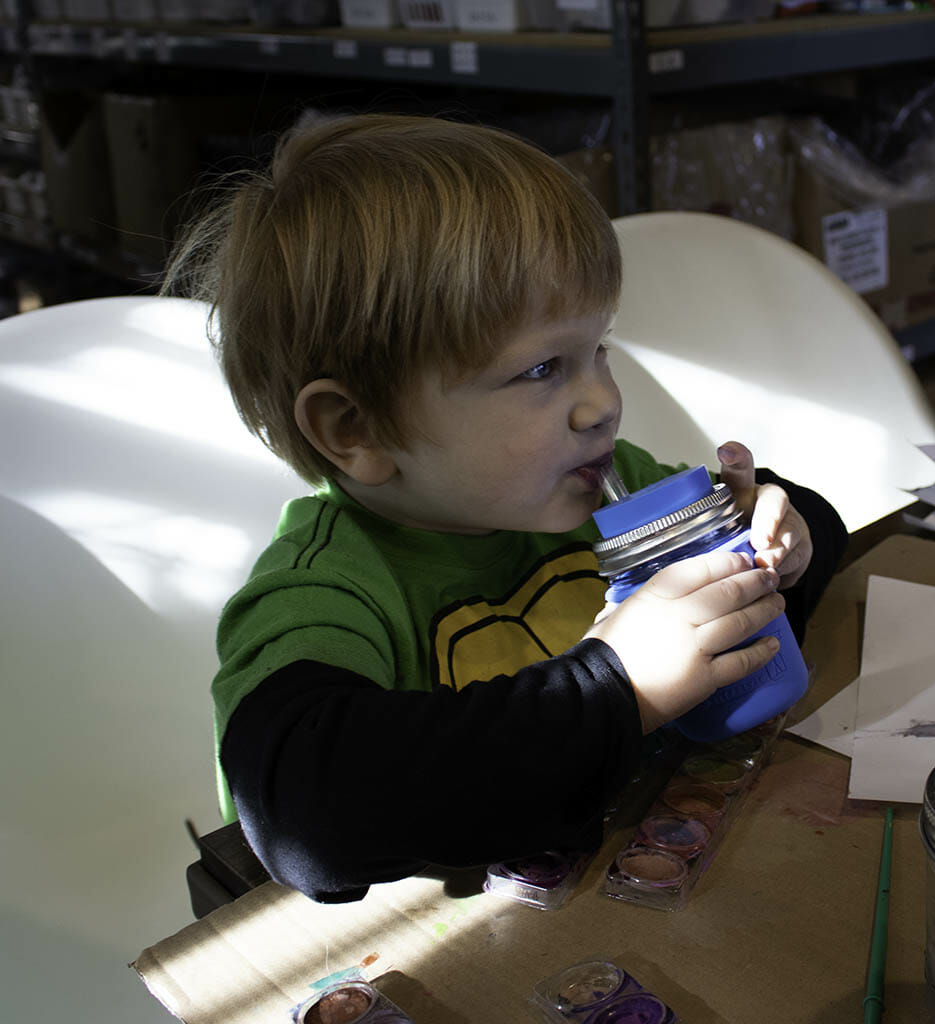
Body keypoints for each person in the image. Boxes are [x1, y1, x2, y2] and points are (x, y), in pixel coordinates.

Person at [166, 112, 847, 903]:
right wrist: (621, 688)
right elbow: (303, 812)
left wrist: (780, 536)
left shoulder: (605, 482)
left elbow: (814, 526)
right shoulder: (327, 590)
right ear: (357, 430)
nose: (602, 403)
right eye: (540, 370)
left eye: (600, 351)